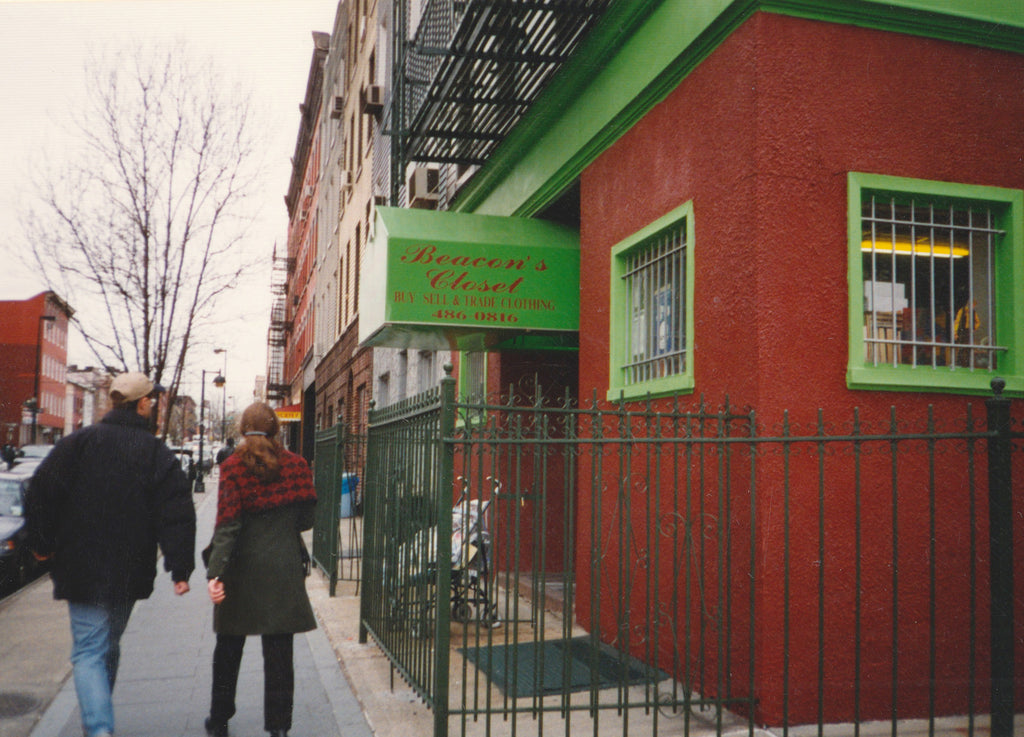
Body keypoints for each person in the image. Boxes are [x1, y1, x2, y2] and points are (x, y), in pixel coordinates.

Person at [25, 371, 196, 737]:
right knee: (106, 644)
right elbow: (176, 511)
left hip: (79, 567)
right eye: (154, 399)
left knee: (90, 648)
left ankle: (98, 727)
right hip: (128, 568)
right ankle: (99, 726)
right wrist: (179, 568)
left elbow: (40, 492)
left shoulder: (79, 443)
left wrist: (41, 546)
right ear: (143, 404)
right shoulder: (154, 452)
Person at [204, 402, 317, 737]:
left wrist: (215, 573)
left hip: (239, 568)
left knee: (228, 646)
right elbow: (307, 519)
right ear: (276, 430)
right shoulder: (297, 466)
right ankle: (279, 727)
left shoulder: (233, 468)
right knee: (280, 652)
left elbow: (227, 526)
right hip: (282, 568)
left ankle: (219, 719)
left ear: (242, 429)